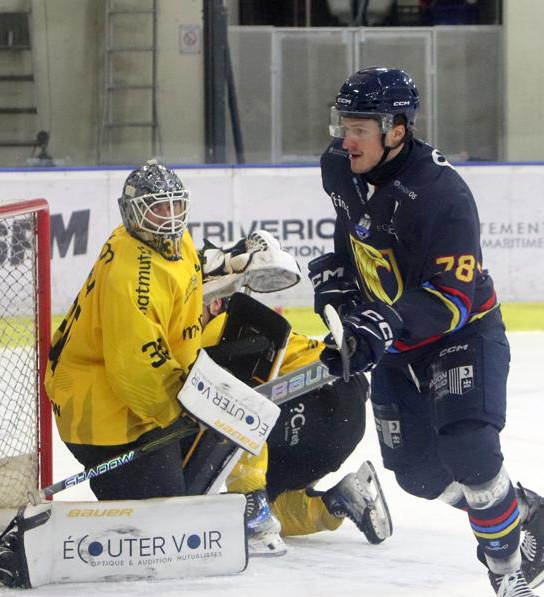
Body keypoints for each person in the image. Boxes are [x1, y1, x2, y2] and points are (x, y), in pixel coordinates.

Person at [309, 67, 544, 597]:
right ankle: (529, 511)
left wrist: (382, 324)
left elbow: (453, 296)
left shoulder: (442, 195)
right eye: (344, 125)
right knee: (417, 474)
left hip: (461, 333)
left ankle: (507, 573)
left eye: (360, 128)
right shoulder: (338, 165)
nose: (347, 139)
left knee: (470, 449)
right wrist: (340, 285)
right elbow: (353, 230)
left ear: (396, 130)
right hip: (397, 340)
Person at [44, 159, 201, 501]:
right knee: (161, 511)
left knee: (188, 480)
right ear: (132, 213)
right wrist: (183, 410)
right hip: (101, 416)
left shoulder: (171, 242)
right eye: (157, 209)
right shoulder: (130, 279)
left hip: (128, 402)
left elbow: (178, 289)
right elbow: (135, 368)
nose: (170, 217)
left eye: (175, 205)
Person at [196, 290, 392, 556]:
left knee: (227, 403)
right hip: (344, 419)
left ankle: (251, 499)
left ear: (215, 303)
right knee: (275, 508)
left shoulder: (223, 327)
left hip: (319, 395)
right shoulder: (245, 326)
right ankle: (337, 502)